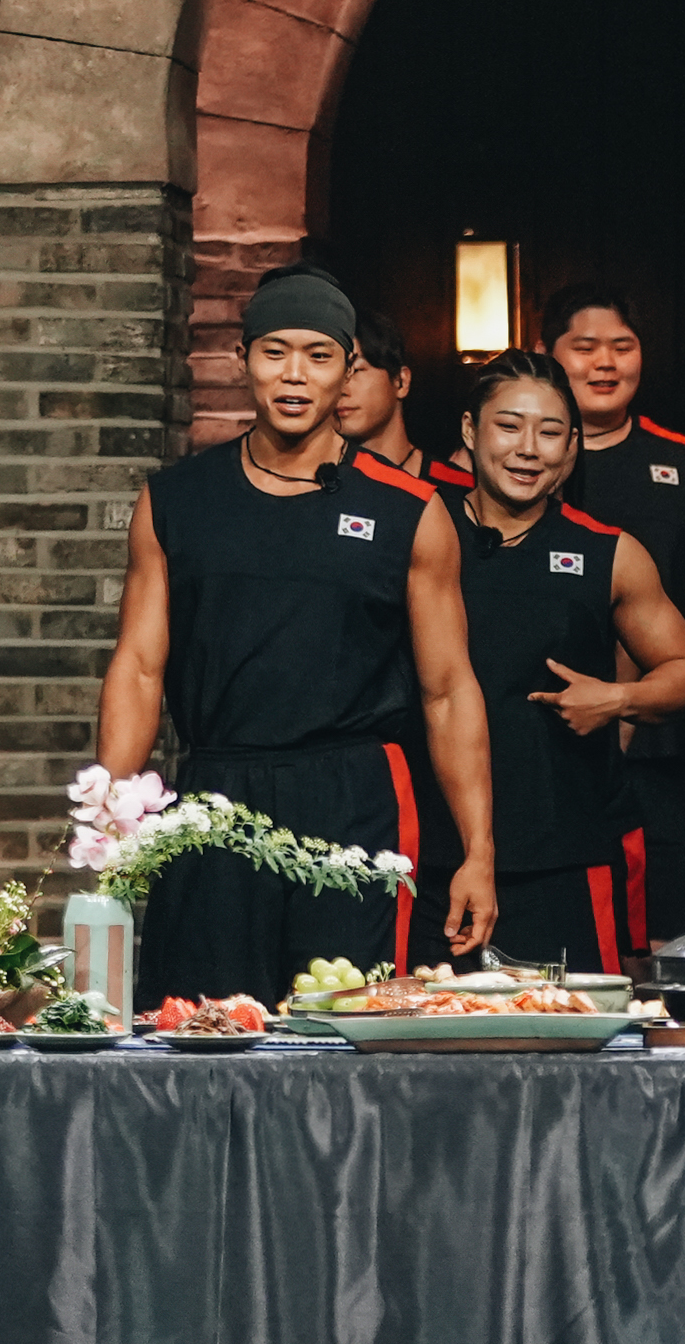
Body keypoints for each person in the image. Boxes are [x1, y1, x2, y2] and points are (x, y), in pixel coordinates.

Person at [97, 264, 496, 1002]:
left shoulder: (410, 510)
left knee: (350, 1016)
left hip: (356, 797)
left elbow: (448, 690)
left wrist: (478, 850)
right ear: (241, 359)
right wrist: (111, 812)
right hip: (216, 795)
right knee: (198, 1017)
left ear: (348, 371)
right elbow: (140, 666)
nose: (294, 374)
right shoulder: (176, 501)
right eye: (275, 351)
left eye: (318, 355)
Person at [432, 351, 685, 974]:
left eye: (550, 432)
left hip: (568, 849)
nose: (529, 449)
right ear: (471, 431)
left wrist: (617, 699)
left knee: (572, 1045)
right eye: (509, 426)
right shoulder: (423, 534)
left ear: (572, 447)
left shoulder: (607, 552)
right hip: (434, 856)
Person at [545, 285, 685, 939]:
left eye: (622, 347)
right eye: (585, 348)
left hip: (659, 746)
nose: (605, 363)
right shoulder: (511, 461)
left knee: (663, 935)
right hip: (544, 744)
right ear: (546, 355)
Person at [339, 304, 423, 473]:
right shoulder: (307, 485)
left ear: (402, 381)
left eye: (356, 370)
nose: (341, 389)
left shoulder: (457, 489)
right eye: (335, 376)